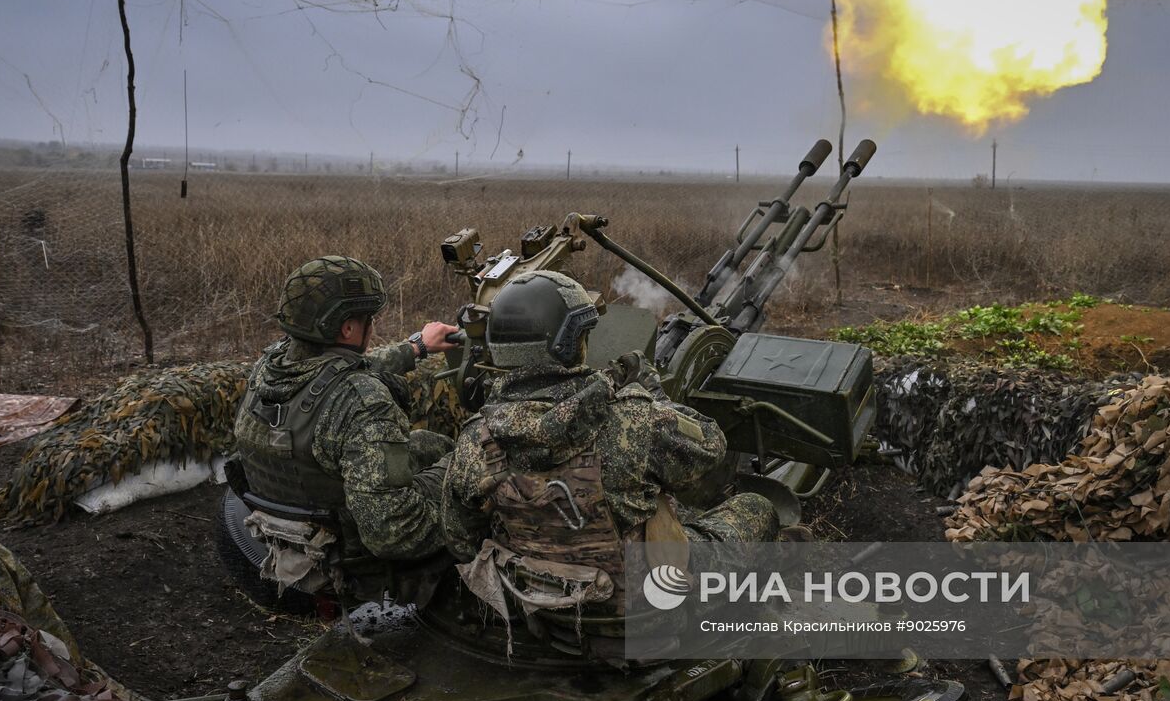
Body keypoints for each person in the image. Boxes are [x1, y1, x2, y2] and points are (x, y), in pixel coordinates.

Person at [440, 269, 777, 620]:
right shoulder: (631, 420)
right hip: (643, 612)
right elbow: (711, 445)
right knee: (756, 508)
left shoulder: (475, 439)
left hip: (543, 609)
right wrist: (651, 396)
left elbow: (461, 541)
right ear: (567, 344)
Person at [232, 255, 460, 592]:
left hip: (293, 520)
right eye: (369, 318)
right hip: (350, 553)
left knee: (428, 443)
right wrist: (467, 501)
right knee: (462, 461)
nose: (374, 325)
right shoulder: (363, 402)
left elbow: (340, 369)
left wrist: (416, 348)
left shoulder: (270, 366)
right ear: (348, 328)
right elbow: (394, 533)